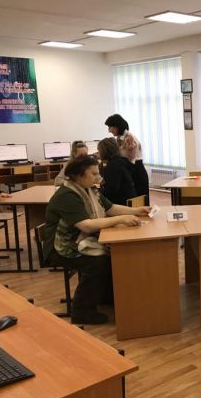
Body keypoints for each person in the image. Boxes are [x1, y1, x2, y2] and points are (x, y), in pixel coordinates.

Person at [43, 155, 150, 325]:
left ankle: (102, 297)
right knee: (97, 261)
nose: (98, 177)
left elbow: (111, 208)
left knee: (110, 255)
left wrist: (137, 210)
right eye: (93, 173)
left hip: (78, 239)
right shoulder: (67, 195)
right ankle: (81, 311)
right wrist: (121, 219)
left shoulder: (89, 190)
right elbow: (86, 226)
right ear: (79, 175)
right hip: (61, 247)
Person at [105, 114, 149, 202]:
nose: (109, 130)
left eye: (110, 127)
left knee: (139, 201)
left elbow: (130, 161)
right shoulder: (120, 138)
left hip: (136, 171)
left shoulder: (129, 138)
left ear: (117, 126)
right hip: (130, 170)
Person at [97, 138, 137, 205]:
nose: (98, 154)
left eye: (98, 151)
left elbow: (111, 191)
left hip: (122, 203)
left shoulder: (113, 165)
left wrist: (97, 191)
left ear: (104, 151)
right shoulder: (121, 161)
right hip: (130, 200)